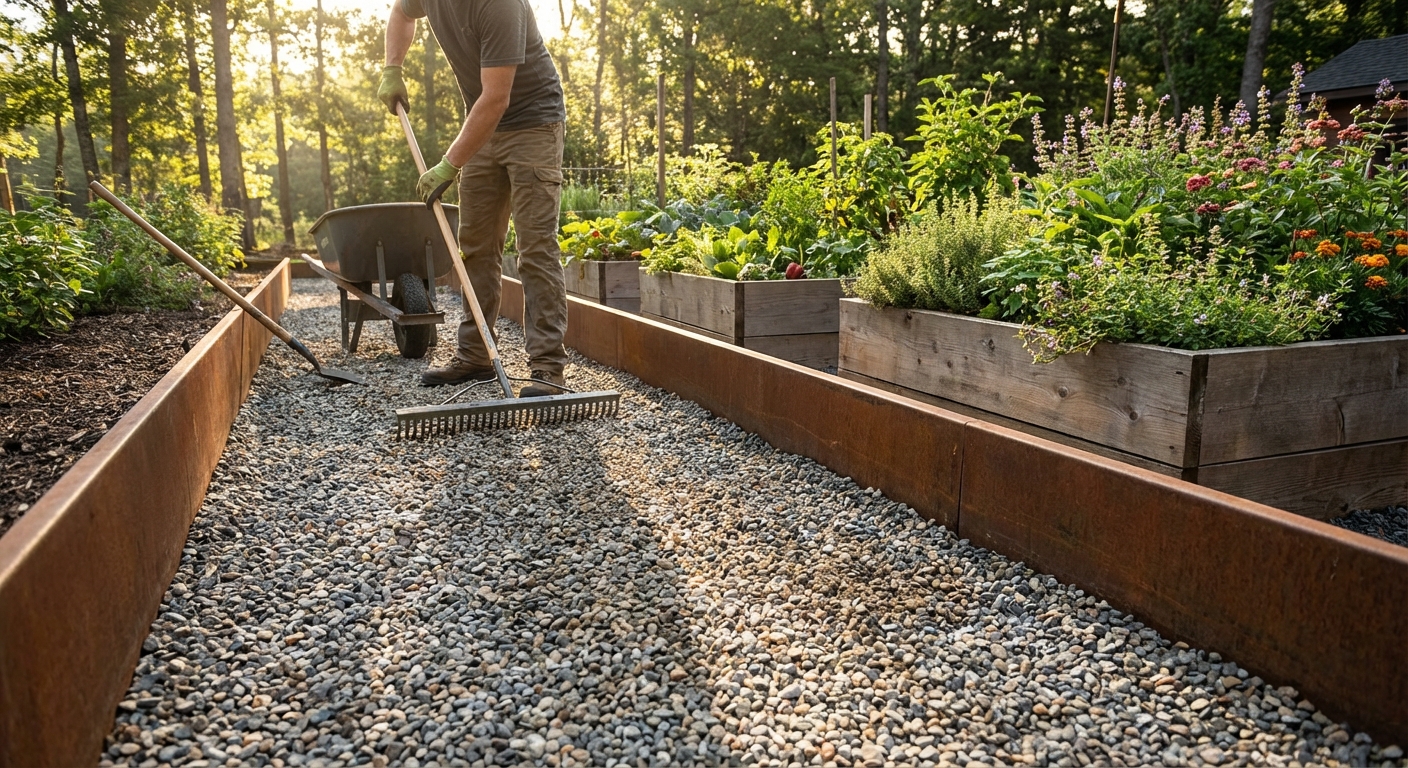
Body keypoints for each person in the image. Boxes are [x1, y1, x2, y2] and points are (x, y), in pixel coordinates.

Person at [379, 0, 569, 397]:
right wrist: (392, 67)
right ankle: (476, 355)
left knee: (535, 249)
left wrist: (448, 165)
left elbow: (497, 97)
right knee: (475, 248)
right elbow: (401, 12)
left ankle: (547, 368)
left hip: (533, 123)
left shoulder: (500, 5)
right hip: (481, 125)